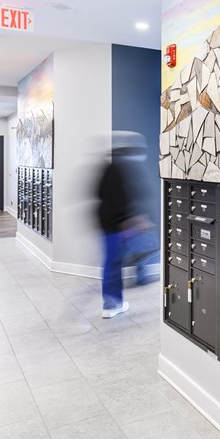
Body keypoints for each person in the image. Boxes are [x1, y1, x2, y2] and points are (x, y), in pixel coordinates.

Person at [95, 132, 158, 318]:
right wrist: (133, 219)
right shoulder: (126, 167)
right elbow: (130, 196)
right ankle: (114, 302)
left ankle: (112, 303)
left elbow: (99, 193)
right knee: (129, 256)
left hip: (106, 222)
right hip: (122, 224)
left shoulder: (108, 167)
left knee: (112, 262)